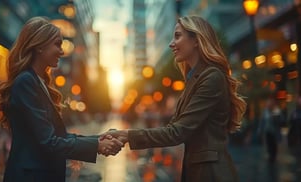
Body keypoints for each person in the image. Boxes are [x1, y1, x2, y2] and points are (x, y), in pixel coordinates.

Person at [101, 16, 247, 182]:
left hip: (211, 173)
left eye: (177, 36)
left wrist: (127, 135)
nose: (171, 44)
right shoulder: (195, 78)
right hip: (200, 170)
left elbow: (177, 132)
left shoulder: (211, 77)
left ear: (196, 40)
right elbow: (174, 128)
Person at [0, 16, 123, 182]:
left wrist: (98, 139)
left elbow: (59, 135)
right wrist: (97, 146)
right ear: (40, 46)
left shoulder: (37, 82)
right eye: (57, 44)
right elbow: (49, 142)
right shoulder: (26, 82)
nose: (62, 51)